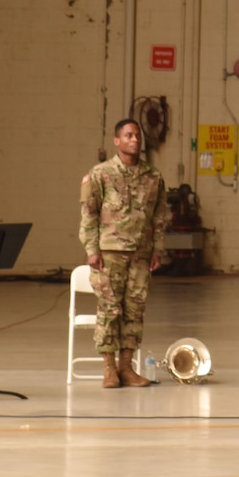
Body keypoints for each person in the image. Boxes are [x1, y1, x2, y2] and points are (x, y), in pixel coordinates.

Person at [80, 117, 171, 389]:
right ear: (117, 141)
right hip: (109, 254)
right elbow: (88, 214)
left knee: (134, 311)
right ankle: (109, 368)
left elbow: (158, 217)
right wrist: (91, 249)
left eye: (137, 136)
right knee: (109, 310)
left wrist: (157, 249)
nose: (134, 140)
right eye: (128, 135)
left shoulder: (153, 177)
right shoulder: (100, 174)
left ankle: (126, 367)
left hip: (140, 255)